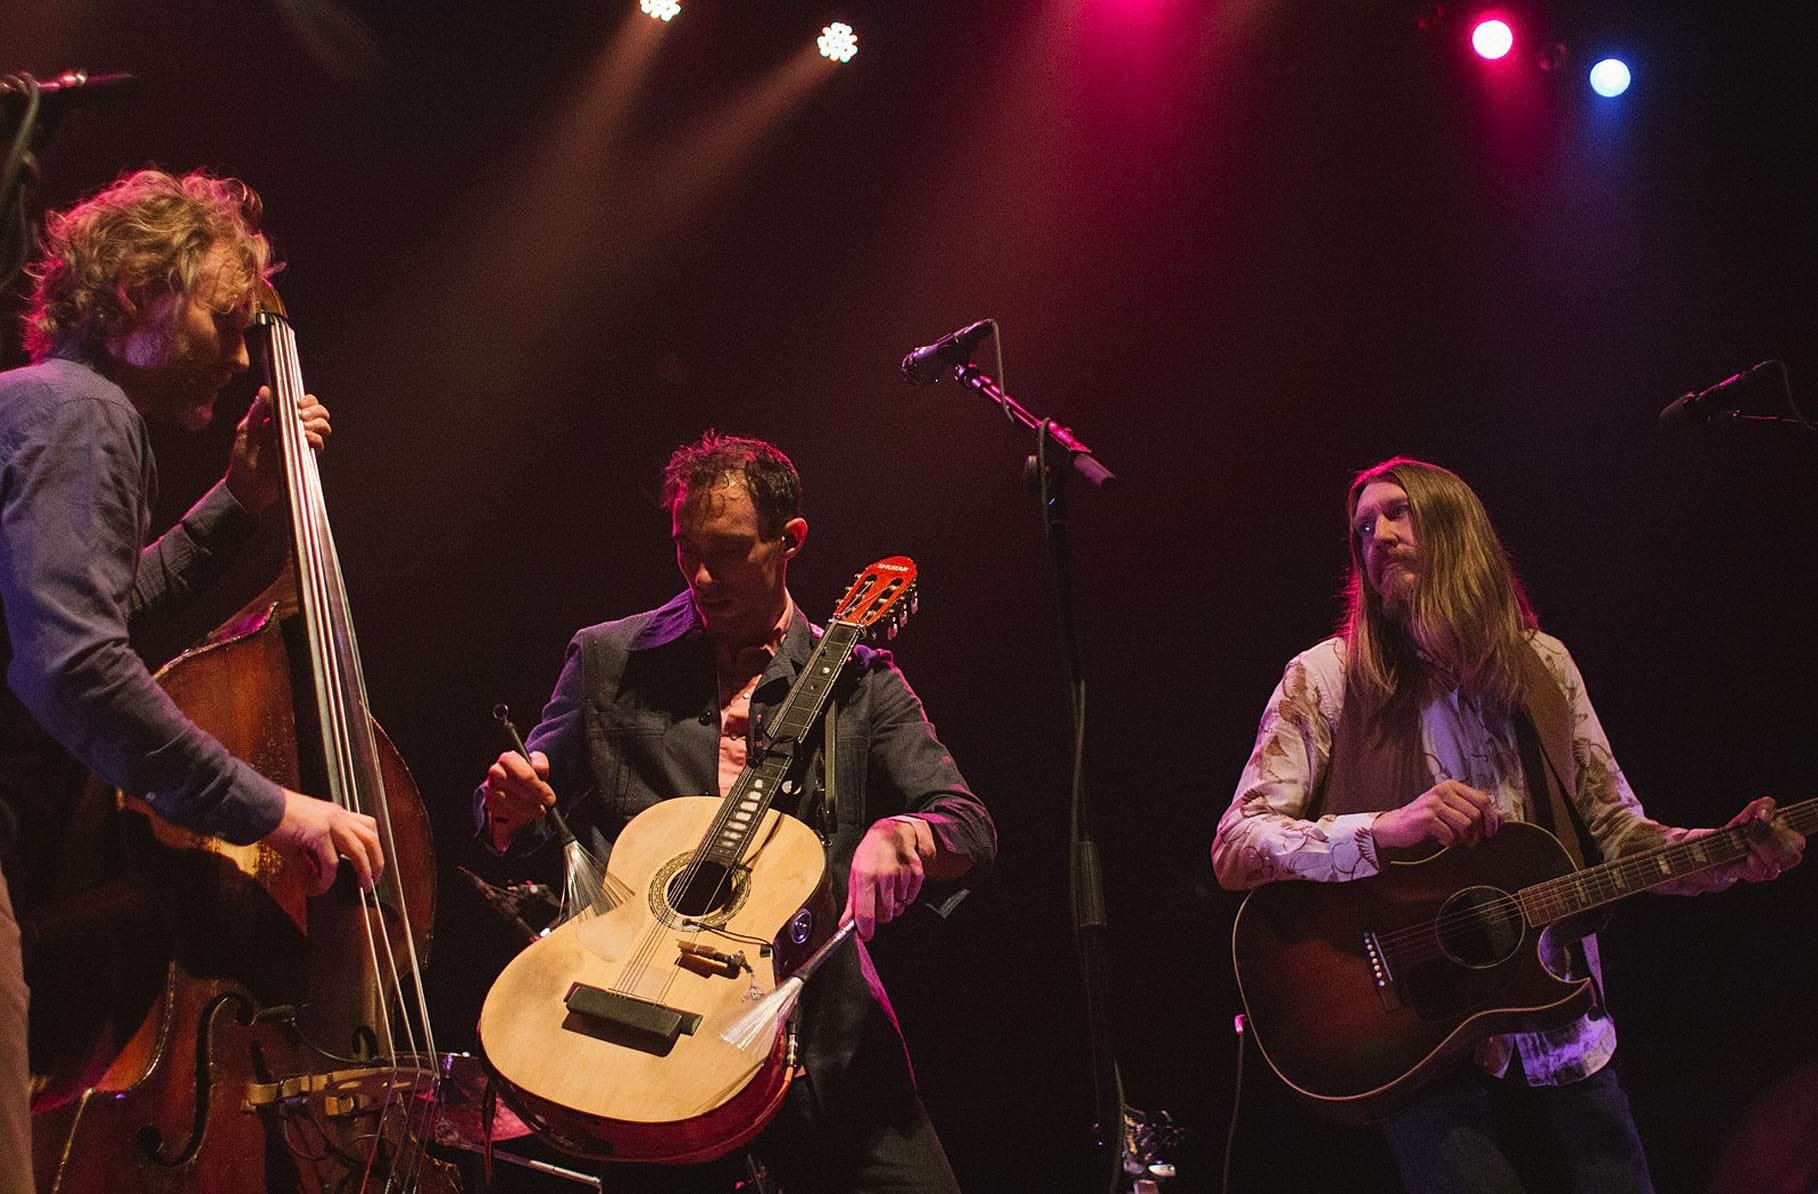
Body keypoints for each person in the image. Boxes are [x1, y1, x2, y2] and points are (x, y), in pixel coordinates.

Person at [1211, 456, 1804, 1194]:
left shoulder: (1544, 666)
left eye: (1400, 515)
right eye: (1363, 526)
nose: (1379, 537)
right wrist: (1381, 830)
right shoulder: (1326, 677)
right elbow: (1238, 842)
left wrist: (1723, 856)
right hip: (1417, 1031)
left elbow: (1619, 834)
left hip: (1561, 1025)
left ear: (1458, 530)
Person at [478, 430, 996, 1193]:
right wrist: (510, 804)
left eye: (727, 550)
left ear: (790, 543)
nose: (702, 575)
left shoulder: (863, 684)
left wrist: (909, 834)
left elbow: (968, 824)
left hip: (819, 1028)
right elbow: (514, 827)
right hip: (641, 1027)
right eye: (686, 550)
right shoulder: (607, 659)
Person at [0, 169, 384, 1187]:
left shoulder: (48, 410)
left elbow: (97, 612)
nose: (243, 349)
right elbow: (78, 665)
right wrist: (277, 811)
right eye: (224, 318)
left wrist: (237, 503)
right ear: (135, 296)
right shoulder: (83, 414)